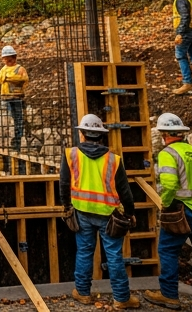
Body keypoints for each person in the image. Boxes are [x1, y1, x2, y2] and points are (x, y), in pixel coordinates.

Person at [60, 114, 139, 308]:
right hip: (108, 215)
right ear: (101, 136)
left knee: (85, 252)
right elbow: (125, 191)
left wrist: (66, 206)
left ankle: (83, 293)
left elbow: (63, 183)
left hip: (82, 212)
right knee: (113, 255)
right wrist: (129, 212)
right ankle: (121, 298)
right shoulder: (113, 159)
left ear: (83, 134)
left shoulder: (71, 154)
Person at [144, 112, 192, 311]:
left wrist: (165, 204)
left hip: (182, 211)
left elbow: (169, 185)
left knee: (168, 251)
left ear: (164, 134)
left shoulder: (168, 154)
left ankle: (169, 295)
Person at [0, 45, 28, 150]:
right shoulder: (3, 70)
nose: (7, 61)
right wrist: (6, 77)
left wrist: (11, 78)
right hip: (6, 98)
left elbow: (25, 79)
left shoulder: (20, 69)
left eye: (9, 59)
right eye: (5, 59)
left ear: (14, 57)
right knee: (11, 119)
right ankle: (14, 140)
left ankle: (18, 140)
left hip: (17, 98)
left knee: (18, 119)